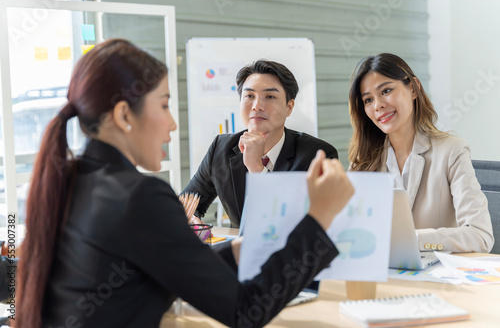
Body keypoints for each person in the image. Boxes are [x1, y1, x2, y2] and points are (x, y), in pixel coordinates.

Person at [16, 39, 354, 328]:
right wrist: (318, 219)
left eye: (269, 97)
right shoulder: (140, 196)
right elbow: (245, 311)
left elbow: (158, 267)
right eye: (164, 105)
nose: (173, 124)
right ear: (122, 116)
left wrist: (239, 249)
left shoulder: (73, 181)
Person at [348, 52, 494, 253]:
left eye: (386, 90)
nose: (378, 105)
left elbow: (481, 236)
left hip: (437, 280)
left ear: (413, 88)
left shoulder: (452, 151)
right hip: (384, 277)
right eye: (367, 100)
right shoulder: (363, 161)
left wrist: (413, 240)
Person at [183, 60, 338, 227]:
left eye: (270, 96)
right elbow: (187, 203)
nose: (257, 106)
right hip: (237, 251)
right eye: (249, 96)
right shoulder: (221, 148)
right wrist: (190, 220)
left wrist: (257, 169)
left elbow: (308, 223)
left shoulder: (318, 155)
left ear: (289, 107)